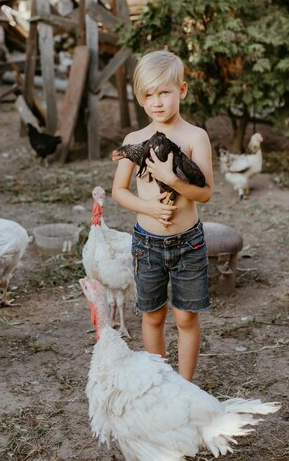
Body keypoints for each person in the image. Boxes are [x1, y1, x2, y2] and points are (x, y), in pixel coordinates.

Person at [112, 49, 213, 381]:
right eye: (148, 94)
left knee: (185, 318)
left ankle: (184, 386)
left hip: (189, 244)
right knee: (153, 315)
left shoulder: (196, 137)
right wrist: (150, 207)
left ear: (181, 91)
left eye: (164, 92)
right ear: (140, 98)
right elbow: (119, 191)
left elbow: (205, 193)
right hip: (148, 245)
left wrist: (171, 179)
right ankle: (160, 382)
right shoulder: (135, 140)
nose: (157, 101)